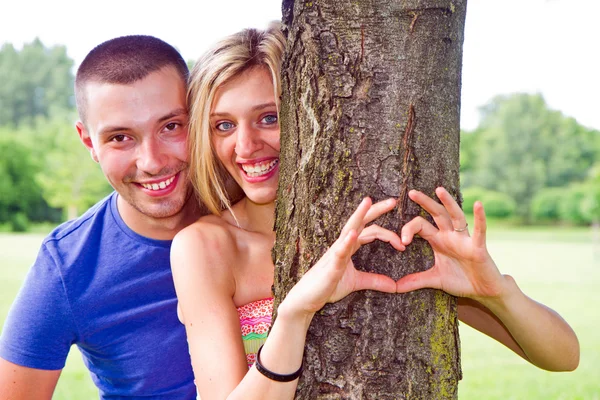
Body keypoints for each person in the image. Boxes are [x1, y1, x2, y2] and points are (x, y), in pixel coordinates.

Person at [171, 22, 580, 399]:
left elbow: (564, 357)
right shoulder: (204, 247)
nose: (245, 146)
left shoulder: (373, 228)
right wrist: (294, 314)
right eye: (223, 125)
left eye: (269, 118)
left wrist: (497, 293)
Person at [0, 35, 203, 399]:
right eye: (120, 137)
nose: (152, 161)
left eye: (171, 126)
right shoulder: (67, 266)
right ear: (89, 142)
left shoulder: (252, 210)